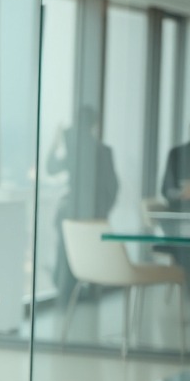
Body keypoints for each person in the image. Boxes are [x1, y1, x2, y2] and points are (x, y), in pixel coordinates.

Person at [46, 105, 118, 296]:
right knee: (82, 258)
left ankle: (67, 294)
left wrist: (57, 140)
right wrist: (102, 212)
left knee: (67, 256)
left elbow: (51, 168)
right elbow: (113, 187)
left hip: (74, 213)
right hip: (91, 215)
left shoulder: (77, 150)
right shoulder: (101, 150)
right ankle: (79, 293)